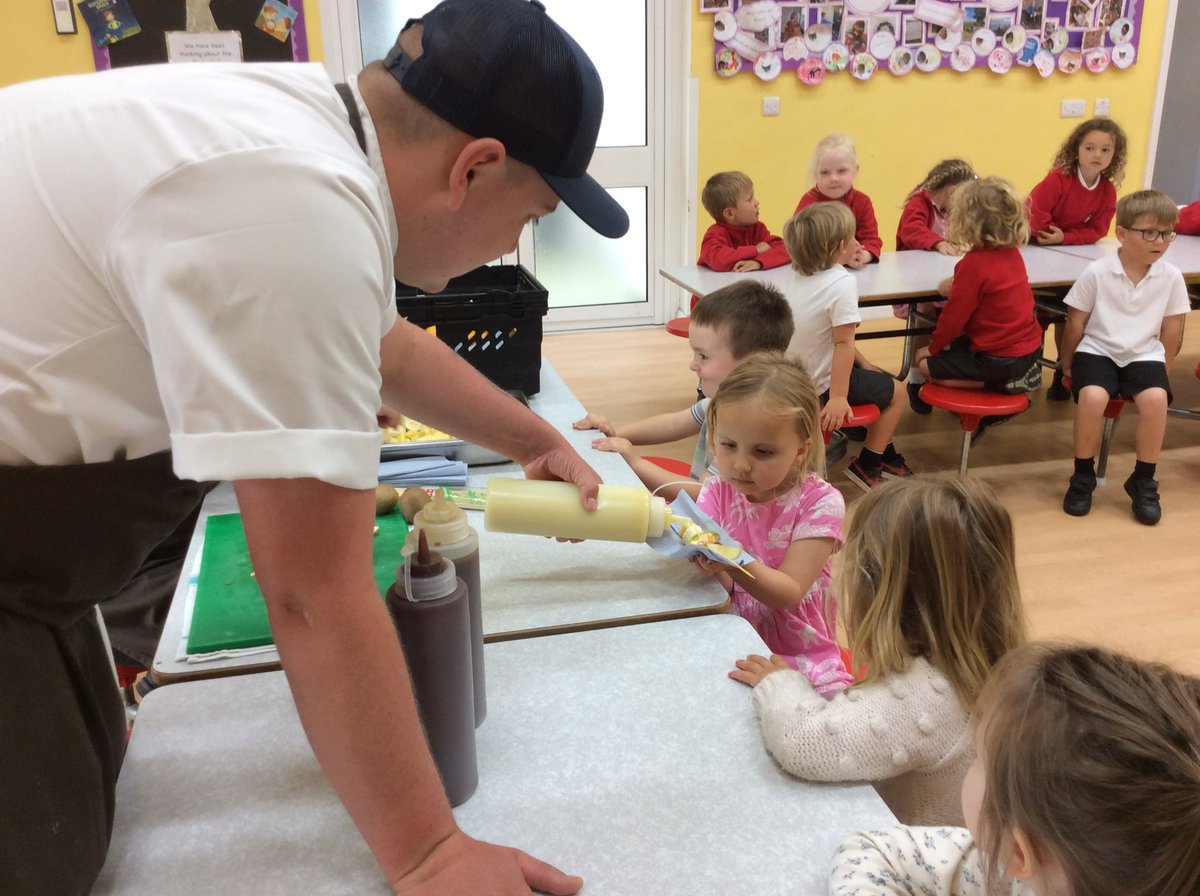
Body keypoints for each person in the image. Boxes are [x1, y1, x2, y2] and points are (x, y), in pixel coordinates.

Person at [0, 0, 630, 893]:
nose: (516, 243)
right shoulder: (294, 206)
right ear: (475, 167)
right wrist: (429, 853)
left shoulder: (307, 126)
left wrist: (533, 437)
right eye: (530, 215)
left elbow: (383, 347)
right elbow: (309, 591)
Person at [730, 476, 1027, 826]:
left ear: (881, 589)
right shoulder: (1002, 667)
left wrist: (779, 684)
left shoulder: (926, 693)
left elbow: (803, 742)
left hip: (923, 870)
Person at [827, 642, 1200, 896]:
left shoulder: (1009, 870)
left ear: (1018, 852)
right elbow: (873, 850)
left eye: (977, 756)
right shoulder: (1006, 868)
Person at [692, 354, 852, 696]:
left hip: (802, 656)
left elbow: (788, 592)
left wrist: (727, 559)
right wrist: (703, 560)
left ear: (800, 450)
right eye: (728, 445)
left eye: (762, 452)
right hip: (732, 637)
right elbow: (722, 586)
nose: (740, 465)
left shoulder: (820, 502)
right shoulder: (717, 489)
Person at [572, 281, 794, 500]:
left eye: (704, 356)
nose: (693, 365)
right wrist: (613, 434)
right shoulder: (715, 404)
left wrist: (636, 463)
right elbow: (672, 424)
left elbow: (704, 495)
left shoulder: (745, 428)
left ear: (751, 364)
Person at [1059, 190, 1189, 526]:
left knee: (1157, 400)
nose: (1159, 241)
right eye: (1149, 232)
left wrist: (1164, 370)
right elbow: (1075, 321)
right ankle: (1082, 476)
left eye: (1166, 234)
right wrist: (1067, 364)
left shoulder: (1171, 276)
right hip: (1098, 349)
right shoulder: (1097, 272)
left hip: (1144, 353)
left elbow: (1172, 327)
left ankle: (1144, 480)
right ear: (1122, 233)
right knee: (1092, 397)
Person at [782, 203, 912, 491]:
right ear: (841, 247)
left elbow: (830, 335)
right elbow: (842, 342)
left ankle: (887, 454)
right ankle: (869, 463)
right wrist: (838, 398)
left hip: (793, 377)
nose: (858, 242)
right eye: (854, 237)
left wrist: (862, 363)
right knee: (898, 392)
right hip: (821, 386)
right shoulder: (841, 282)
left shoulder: (796, 274)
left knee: (877, 377)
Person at [915, 176, 1044, 443]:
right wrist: (958, 281)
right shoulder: (1012, 254)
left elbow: (953, 320)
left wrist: (934, 348)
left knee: (924, 365)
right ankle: (1009, 379)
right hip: (1029, 348)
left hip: (998, 358)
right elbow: (992, 288)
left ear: (964, 221)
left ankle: (1001, 386)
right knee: (949, 353)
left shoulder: (974, 264)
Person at [1027, 117, 1127, 399]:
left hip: (1072, 258)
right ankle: (1028, 370)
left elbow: (1098, 229)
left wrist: (1066, 237)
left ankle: (1063, 370)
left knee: (1073, 313)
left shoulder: (1107, 190)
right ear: (1077, 150)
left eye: (1106, 150)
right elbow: (1034, 216)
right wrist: (1056, 236)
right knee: (1037, 314)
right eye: (1090, 148)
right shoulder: (1058, 180)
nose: (1097, 155)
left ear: (1114, 156)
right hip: (1037, 254)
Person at [895, 158, 978, 414]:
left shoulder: (959, 208)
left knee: (968, 309)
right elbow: (911, 230)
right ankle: (916, 379)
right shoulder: (919, 203)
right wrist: (937, 243)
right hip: (918, 280)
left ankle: (954, 373)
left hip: (949, 276)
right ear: (953, 192)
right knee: (925, 313)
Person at [794, 133, 882, 268]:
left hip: (857, 276)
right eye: (825, 172)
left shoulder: (862, 202)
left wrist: (862, 256)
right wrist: (841, 259)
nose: (833, 178)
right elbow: (800, 245)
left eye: (841, 171)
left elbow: (872, 240)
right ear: (815, 173)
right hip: (818, 273)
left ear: (855, 170)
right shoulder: (809, 203)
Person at [697, 170, 791, 274]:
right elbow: (718, 259)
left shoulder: (757, 228)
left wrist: (758, 262)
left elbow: (786, 249)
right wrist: (756, 250)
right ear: (729, 214)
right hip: (715, 290)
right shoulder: (714, 234)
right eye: (749, 199)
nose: (756, 202)